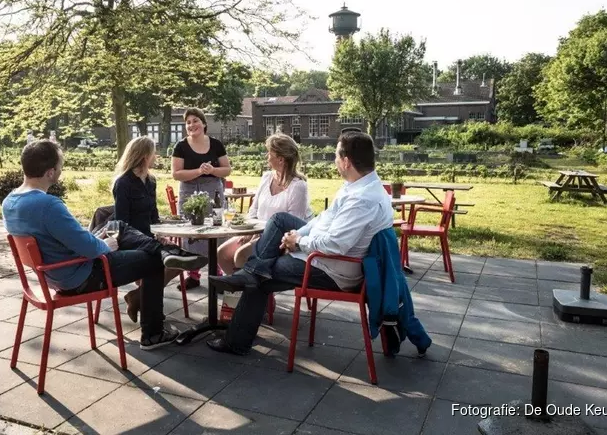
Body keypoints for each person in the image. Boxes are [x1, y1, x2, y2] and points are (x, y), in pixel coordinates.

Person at [206, 132, 426, 356]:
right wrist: (294, 235)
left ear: (346, 161)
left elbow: (335, 245)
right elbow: (323, 219)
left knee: (260, 278)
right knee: (279, 220)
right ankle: (252, 272)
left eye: (336, 155)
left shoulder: (362, 199)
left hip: (331, 268)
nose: (334, 160)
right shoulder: (359, 185)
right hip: (322, 256)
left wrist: (299, 242)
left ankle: (237, 336)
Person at [2, 140, 207, 350]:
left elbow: (70, 239)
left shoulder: (9, 202)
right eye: (61, 165)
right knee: (153, 261)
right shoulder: (48, 205)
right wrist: (105, 245)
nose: (62, 169)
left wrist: (100, 240)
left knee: (118, 224)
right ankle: (153, 334)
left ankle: (168, 252)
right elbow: (89, 248)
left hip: (53, 275)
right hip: (80, 275)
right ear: (51, 172)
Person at [113, 135, 207, 322]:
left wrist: (162, 234)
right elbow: (122, 223)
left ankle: (138, 297)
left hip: (150, 236)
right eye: (153, 153)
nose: (156, 156)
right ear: (144, 156)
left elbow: (154, 217)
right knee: (157, 262)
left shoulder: (150, 181)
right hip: (131, 240)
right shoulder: (123, 183)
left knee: (181, 259)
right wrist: (147, 240)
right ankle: (149, 307)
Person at [217, 133, 312, 274]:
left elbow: (291, 225)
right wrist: (250, 232)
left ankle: (255, 292)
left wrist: (263, 236)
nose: (266, 156)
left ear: (281, 159)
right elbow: (253, 209)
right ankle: (239, 292)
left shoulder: (298, 186)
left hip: (278, 240)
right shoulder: (267, 177)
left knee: (241, 256)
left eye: (269, 153)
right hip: (257, 232)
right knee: (222, 253)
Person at [171, 108, 232, 289]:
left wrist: (212, 171)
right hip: (189, 191)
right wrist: (198, 171)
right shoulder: (180, 146)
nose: (191, 125)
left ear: (204, 123)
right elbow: (176, 174)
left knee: (216, 230)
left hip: (213, 190)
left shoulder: (216, 145)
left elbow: (227, 169)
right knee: (191, 233)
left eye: (195, 120)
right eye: (188, 122)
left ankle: (218, 274)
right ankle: (193, 274)